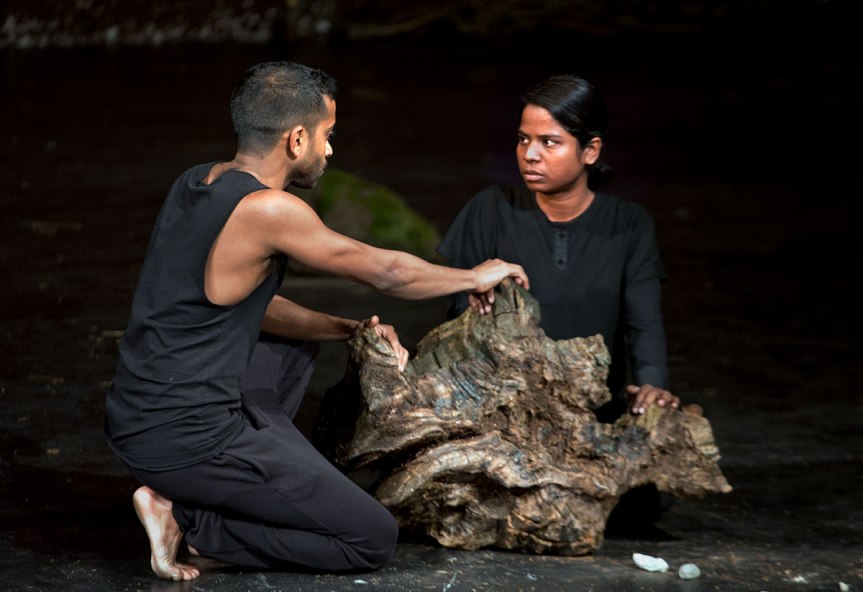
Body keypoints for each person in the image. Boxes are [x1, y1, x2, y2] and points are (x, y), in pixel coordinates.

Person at [104, 61, 529, 581]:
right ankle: (192, 521)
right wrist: (474, 276)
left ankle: (235, 483)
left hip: (136, 416)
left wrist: (348, 330)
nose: (330, 151)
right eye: (327, 136)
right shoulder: (269, 211)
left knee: (292, 346)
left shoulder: (197, 181)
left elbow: (237, 307)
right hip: (187, 438)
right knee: (370, 537)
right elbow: (388, 272)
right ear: (297, 138)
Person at [438, 73, 679, 421]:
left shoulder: (628, 224)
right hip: (501, 412)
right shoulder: (490, 210)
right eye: (523, 139)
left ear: (591, 150)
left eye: (549, 142)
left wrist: (652, 386)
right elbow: (458, 320)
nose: (529, 154)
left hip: (595, 414)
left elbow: (644, 324)